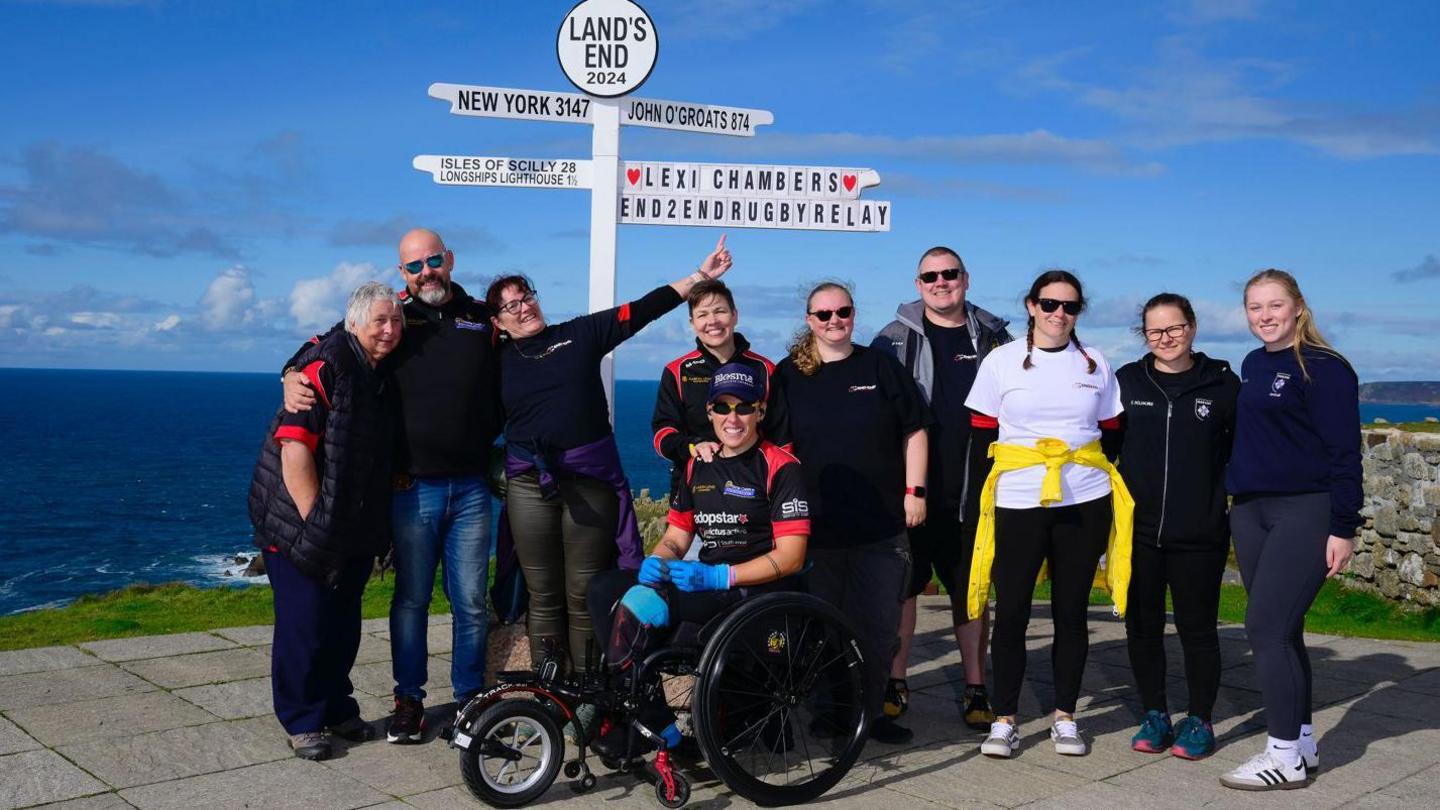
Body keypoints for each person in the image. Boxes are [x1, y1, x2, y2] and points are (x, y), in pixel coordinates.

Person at [283, 228, 502, 745]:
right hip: (411, 489)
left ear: (449, 259)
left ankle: (469, 698)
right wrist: (289, 373)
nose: (425, 271)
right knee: (412, 600)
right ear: (402, 272)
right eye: (413, 266)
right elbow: (327, 345)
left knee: (470, 601)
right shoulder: (394, 317)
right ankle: (409, 700)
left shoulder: (482, 318)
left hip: (471, 488)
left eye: (432, 260)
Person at [488, 235, 733, 673]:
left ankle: (589, 689)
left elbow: (640, 309)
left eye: (527, 297)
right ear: (498, 321)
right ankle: (551, 686)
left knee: (584, 589)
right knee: (543, 592)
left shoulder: (578, 334)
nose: (523, 307)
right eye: (511, 305)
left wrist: (700, 277)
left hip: (588, 479)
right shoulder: (494, 360)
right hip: (529, 482)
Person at [587, 363, 810, 757]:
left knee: (641, 605)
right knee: (603, 586)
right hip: (704, 579)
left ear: (760, 411)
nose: (733, 418)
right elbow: (676, 538)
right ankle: (652, 717)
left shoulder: (782, 466)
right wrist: (656, 562)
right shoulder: (697, 464)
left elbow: (791, 558)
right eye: (722, 408)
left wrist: (720, 576)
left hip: (753, 589)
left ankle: (646, 727)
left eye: (744, 407)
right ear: (709, 413)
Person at [963, 269, 1132, 759]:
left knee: (1071, 612)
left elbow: (1113, 429)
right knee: (1012, 610)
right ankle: (1005, 720)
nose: (1060, 314)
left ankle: (1065, 717)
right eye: (1050, 304)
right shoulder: (1001, 361)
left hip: (1083, 499)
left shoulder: (1095, 362)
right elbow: (979, 433)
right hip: (1018, 500)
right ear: (1031, 306)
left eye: (1070, 306)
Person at [249, 282, 403, 761]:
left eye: (395, 321)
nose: (389, 329)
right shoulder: (325, 367)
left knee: (341, 626)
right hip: (303, 524)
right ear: (353, 323)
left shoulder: (376, 368)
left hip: (351, 524)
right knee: (304, 626)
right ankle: (303, 720)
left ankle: (337, 707)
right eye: (379, 320)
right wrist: (317, 527)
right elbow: (294, 449)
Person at [770, 281, 928, 745]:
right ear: (809, 319)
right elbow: (778, 450)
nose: (834, 321)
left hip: (880, 526)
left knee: (878, 630)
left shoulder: (880, 366)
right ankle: (826, 711)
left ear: (854, 314)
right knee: (820, 627)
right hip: (815, 528)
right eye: (823, 315)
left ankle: (869, 712)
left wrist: (914, 491)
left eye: (843, 312)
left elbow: (915, 430)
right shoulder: (788, 375)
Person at [1219, 270, 1359, 791]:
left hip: (1305, 510)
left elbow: (1345, 453)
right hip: (1251, 510)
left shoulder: (1326, 367)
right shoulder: (1254, 363)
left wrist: (1343, 527)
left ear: (1298, 306)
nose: (1264, 316)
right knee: (1285, 631)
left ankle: (1282, 756)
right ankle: (1301, 743)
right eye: (1255, 307)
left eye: (1274, 305)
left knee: (1265, 629)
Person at [871, 246, 1013, 730]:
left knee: (970, 592)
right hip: (910, 492)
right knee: (903, 591)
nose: (940, 282)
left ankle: (976, 686)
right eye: (930, 275)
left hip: (975, 488)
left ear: (966, 279)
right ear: (917, 285)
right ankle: (895, 680)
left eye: (949, 273)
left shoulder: (997, 339)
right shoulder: (890, 341)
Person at [1115, 293, 1239, 759]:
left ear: (1192, 327)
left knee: (1197, 629)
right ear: (1143, 335)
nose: (1165, 338)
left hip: (1200, 533)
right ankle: (1154, 714)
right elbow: (1104, 444)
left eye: (1174, 328)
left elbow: (1241, 451)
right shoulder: (1128, 380)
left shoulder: (1224, 385)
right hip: (1140, 531)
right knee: (1143, 628)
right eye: (1154, 331)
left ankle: (1199, 719)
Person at [651, 279, 786, 503]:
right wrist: (693, 447)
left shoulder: (764, 369)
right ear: (692, 322)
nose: (712, 321)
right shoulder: (676, 371)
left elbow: (782, 437)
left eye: (720, 311)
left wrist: (781, 484)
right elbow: (662, 435)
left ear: (735, 315)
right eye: (702, 314)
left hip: (755, 493)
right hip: (694, 493)